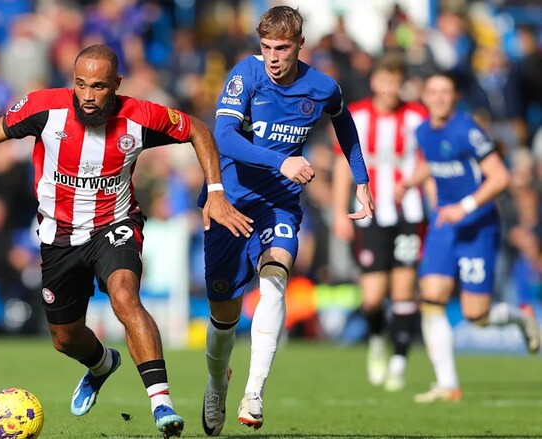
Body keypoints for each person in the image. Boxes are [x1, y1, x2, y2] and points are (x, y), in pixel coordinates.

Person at [0, 44, 253, 438]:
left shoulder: (141, 116)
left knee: (124, 295)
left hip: (115, 225)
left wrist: (216, 191)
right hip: (59, 236)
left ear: (116, 84)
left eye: (99, 87)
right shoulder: (43, 109)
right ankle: (102, 364)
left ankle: (161, 403)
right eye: (81, 84)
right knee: (65, 339)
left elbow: (198, 131)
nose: (88, 95)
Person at [198, 6, 373, 435]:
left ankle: (254, 392)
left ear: (299, 46)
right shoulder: (247, 74)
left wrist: (361, 181)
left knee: (276, 278)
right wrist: (284, 161)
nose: (273, 57)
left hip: (278, 204)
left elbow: (344, 124)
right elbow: (223, 137)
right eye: (267, 47)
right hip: (231, 205)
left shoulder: (322, 86)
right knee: (223, 313)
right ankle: (216, 383)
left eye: (282, 48)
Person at [395, 73, 541, 403]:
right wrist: (409, 182)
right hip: (444, 227)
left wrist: (465, 207)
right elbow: (430, 163)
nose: (439, 98)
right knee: (431, 297)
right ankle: (447, 384)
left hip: (477, 226)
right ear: (425, 97)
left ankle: (521, 316)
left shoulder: (467, 130)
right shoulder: (422, 131)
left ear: (454, 96)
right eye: (433, 92)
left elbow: (500, 177)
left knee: (477, 315)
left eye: (445, 92)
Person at [332, 53, 428, 392]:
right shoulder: (355, 115)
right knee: (372, 297)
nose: (389, 88)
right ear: (375, 82)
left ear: (401, 83)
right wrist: (337, 214)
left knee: (404, 290)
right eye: (384, 81)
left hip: (408, 213)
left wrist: (414, 181)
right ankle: (376, 342)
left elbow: (429, 160)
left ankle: (399, 362)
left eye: (395, 82)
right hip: (369, 214)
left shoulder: (417, 117)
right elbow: (343, 166)